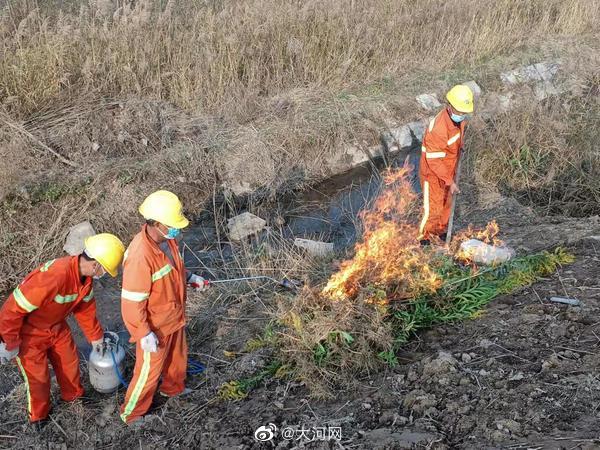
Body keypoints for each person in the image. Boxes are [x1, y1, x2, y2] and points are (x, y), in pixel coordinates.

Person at [0, 233, 125, 426]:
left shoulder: (84, 280)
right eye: (104, 270)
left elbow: (85, 310)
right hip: (29, 334)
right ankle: (39, 417)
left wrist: (96, 338)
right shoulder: (55, 276)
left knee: (69, 363)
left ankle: (73, 397)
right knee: (38, 380)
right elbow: (12, 308)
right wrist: (9, 342)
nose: (104, 274)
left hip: (57, 327)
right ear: (95, 265)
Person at [119, 190, 209, 424]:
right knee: (148, 373)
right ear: (156, 223)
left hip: (174, 315)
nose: (176, 230)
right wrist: (143, 333)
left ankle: (173, 389)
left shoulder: (168, 241)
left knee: (177, 359)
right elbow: (131, 302)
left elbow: (174, 270)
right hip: (155, 326)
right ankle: (132, 413)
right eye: (171, 225)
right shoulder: (140, 255)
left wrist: (190, 278)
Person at [418, 84, 474, 245]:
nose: (462, 115)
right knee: (433, 209)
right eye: (460, 111)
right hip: (433, 174)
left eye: (464, 112)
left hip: (449, 170)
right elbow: (434, 161)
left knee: (447, 204)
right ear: (450, 106)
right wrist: (449, 181)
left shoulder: (459, 120)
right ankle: (425, 238)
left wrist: (460, 147)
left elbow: (455, 140)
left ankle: (441, 230)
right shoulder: (438, 128)